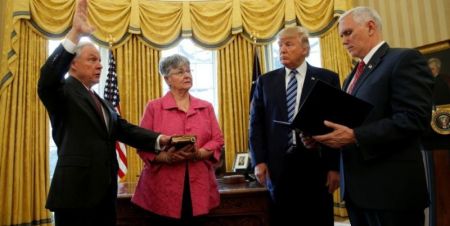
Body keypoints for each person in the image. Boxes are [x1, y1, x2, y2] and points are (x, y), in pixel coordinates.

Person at [37, 0, 174, 225]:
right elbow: (47, 78)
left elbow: (123, 129)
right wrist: (74, 33)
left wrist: (159, 139)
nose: (100, 65)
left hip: (105, 194)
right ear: (72, 65)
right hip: (75, 196)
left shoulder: (101, 100)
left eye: (100, 60)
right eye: (92, 60)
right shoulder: (62, 92)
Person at [307, 6, 433, 226]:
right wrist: (319, 137)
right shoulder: (351, 77)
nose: (344, 41)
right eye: (341, 36)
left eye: (348, 33)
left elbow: (414, 118)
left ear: (371, 27)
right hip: (358, 193)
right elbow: (347, 126)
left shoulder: (403, 59)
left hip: (392, 193)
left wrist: (356, 136)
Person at [249, 26, 340, 226]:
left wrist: (335, 167)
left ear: (305, 49)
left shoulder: (327, 78)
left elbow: (335, 126)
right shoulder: (265, 82)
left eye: (288, 44)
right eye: (279, 45)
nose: (282, 49)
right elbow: (255, 125)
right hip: (278, 167)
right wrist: (259, 161)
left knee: (318, 219)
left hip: (316, 165)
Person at [132, 54, 224, 226]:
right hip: (162, 188)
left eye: (189, 71)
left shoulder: (206, 107)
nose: (187, 75)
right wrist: (165, 158)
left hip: (199, 186)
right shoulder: (154, 107)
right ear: (167, 79)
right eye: (180, 72)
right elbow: (142, 144)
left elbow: (217, 139)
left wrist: (200, 153)